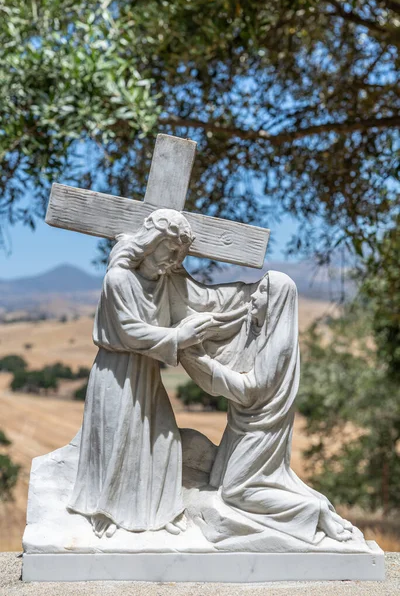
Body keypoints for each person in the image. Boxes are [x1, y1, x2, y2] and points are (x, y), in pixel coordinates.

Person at [68, 209, 215, 538]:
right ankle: (106, 511)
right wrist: (179, 336)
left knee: (162, 439)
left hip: (147, 372)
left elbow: (192, 303)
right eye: (171, 248)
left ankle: (163, 511)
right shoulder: (118, 279)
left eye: (181, 252)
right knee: (119, 442)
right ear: (152, 241)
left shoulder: (165, 282)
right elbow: (131, 332)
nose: (175, 258)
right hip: (118, 371)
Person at [180, 271, 353, 545]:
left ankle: (312, 511)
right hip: (242, 425)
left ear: (275, 301)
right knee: (220, 482)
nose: (253, 297)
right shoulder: (260, 331)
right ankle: (312, 507)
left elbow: (250, 390)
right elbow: (230, 346)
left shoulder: (279, 344)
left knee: (236, 491)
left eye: (261, 292)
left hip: (259, 431)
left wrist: (201, 361)